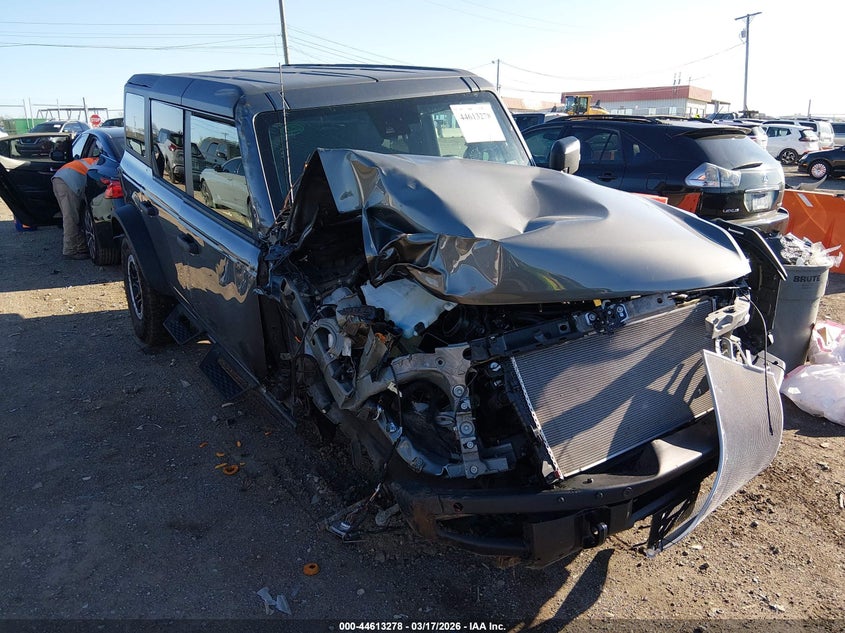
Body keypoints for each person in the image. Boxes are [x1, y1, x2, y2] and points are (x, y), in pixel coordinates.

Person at [51, 156, 98, 259]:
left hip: (60, 178)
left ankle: (80, 247)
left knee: (74, 216)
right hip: (68, 181)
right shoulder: (101, 164)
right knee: (71, 217)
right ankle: (70, 249)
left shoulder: (92, 160)